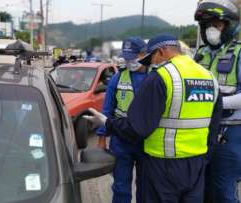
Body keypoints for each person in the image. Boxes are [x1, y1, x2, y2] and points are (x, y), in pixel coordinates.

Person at [85, 34, 223, 203]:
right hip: (196, 164)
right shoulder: (209, 77)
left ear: (161, 51)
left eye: (151, 58)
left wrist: (107, 123)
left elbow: (137, 128)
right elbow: (214, 124)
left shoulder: (161, 77)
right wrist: (204, 158)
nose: (152, 63)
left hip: (162, 163)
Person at [194, 1, 241, 202]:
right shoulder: (200, 54)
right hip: (202, 131)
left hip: (229, 132)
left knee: (223, 190)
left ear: (230, 25)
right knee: (201, 188)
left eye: (217, 24)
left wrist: (218, 103)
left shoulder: (239, 53)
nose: (211, 29)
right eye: (207, 25)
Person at [96, 37, 147, 203]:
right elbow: (107, 110)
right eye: (127, 57)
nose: (129, 61)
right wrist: (102, 138)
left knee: (146, 186)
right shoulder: (118, 79)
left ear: (144, 54)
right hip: (121, 140)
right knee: (120, 186)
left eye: (133, 56)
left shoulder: (156, 76)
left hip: (147, 140)